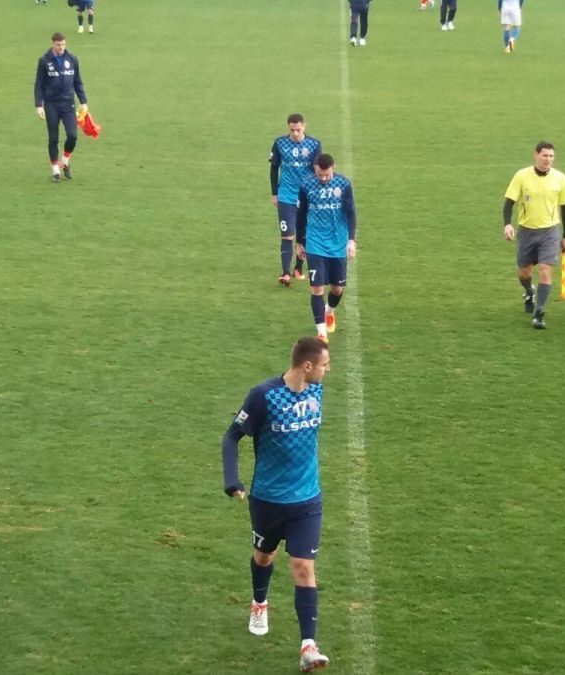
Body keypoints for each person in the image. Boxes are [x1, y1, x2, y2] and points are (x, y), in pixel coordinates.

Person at [221, 336, 333, 673]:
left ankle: (308, 646)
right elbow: (231, 437)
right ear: (307, 366)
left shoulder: (316, 391)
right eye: (325, 364)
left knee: (303, 567)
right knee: (264, 556)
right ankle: (259, 602)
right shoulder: (264, 395)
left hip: (307, 500)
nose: (328, 370)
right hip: (268, 500)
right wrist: (232, 480)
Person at [502, 141, 565, 330]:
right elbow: (509, 202)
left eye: (551, 156)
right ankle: (529, 291)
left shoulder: (560, 178)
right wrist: (507, 224)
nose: (548, 159)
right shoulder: (522, 176)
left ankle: (539, 312)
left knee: (545, 269)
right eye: (545, 155)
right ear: (536, 155)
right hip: (526, 231)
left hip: (550, 231)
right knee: (524, 273)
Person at [296, 154, 357, 344]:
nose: (323, 178)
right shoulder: (306, 186)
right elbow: (301, 215)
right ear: (315, 168)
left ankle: (329, 311)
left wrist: (351, 240)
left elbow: (351, 213)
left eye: (327, 175)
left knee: (337, 289)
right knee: (317, 289)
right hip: (315, 243)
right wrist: (299, 243)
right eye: (320, 174)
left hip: (338, 243)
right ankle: (321, 333)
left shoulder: (343, 184)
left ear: (333, 168)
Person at [269, 114, 323, 286]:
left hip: (306, 197)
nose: (295, 133)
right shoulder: (280, 143)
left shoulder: (314, 144)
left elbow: (318, 171)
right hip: (286, 196)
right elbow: (274, 168)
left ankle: (298, 268)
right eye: (292, 130)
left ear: (304, 126)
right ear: (288, 128)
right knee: (287, 235)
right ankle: (285, 273)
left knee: (304, 234)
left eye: (298, 129)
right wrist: (274, 193)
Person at [34, 33, 88, 183]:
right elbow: (39, 84)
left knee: (72, 135)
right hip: (51, 104)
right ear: (53, 44)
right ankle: (55, 170)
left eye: (63, 44)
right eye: (58, 45)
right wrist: (39, 105)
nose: (61, 47)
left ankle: (65, 161)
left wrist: (83, 101)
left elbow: (78, 81)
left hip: (68, 104)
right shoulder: (44, 61)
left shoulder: (72, 59)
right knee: (53, 138)